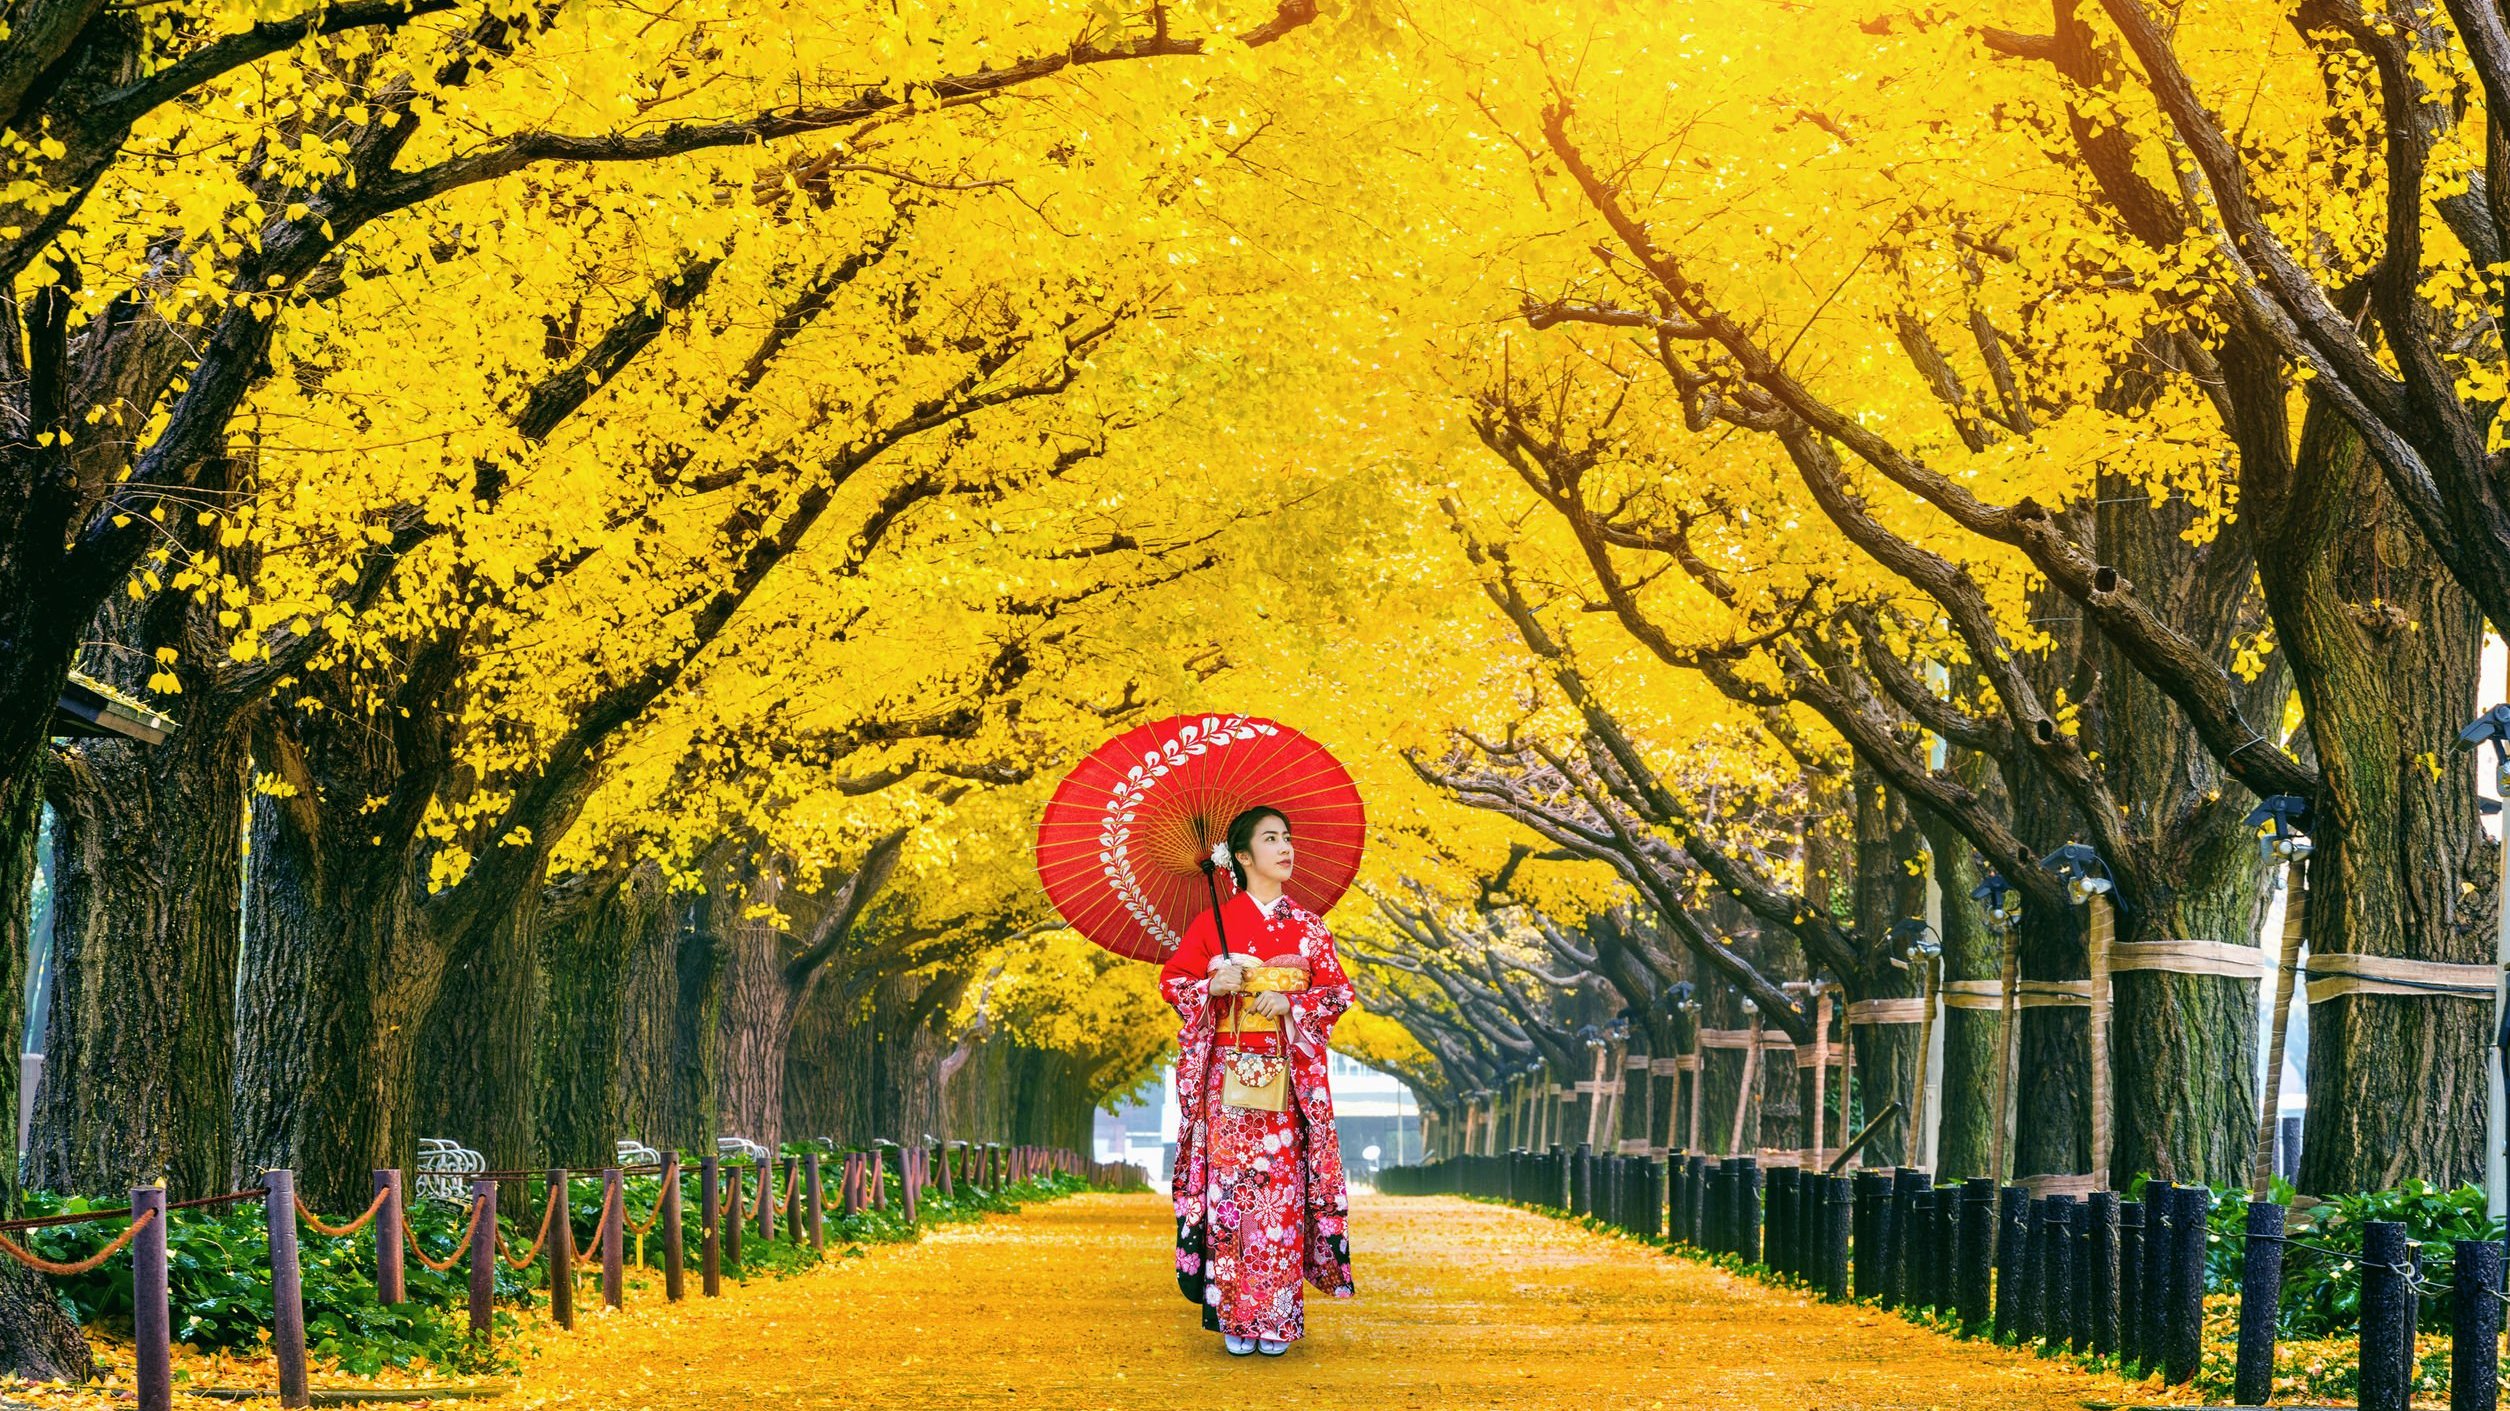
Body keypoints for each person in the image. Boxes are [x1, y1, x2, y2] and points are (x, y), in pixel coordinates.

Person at [1157, 804, 1357, 1356]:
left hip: (1286, 1079)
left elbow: (1339, 992)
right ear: (1242, 857)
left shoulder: (1310, 928)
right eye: (1272, 840)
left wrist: (1291, 1000)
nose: (1286, 848)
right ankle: (1235, 1316)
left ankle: (1278, 1318)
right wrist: (1212, 987)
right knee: (1231, 1195)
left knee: (1280, 1196)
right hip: (1228, 1080)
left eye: (1288, 838)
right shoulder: (1210, 924)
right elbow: (1173, 982)